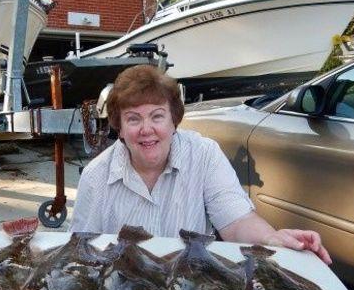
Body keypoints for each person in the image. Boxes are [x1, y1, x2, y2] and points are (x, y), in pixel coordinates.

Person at [70, 65, 332, 265]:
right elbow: (81, 251)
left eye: (157, 116)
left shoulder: (204, 155)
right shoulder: (96, 175)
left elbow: (236, 220)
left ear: (174, 120)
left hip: (190, 289)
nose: (146, 129)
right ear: (120, 127)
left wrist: (271, 239)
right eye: (133, 119)